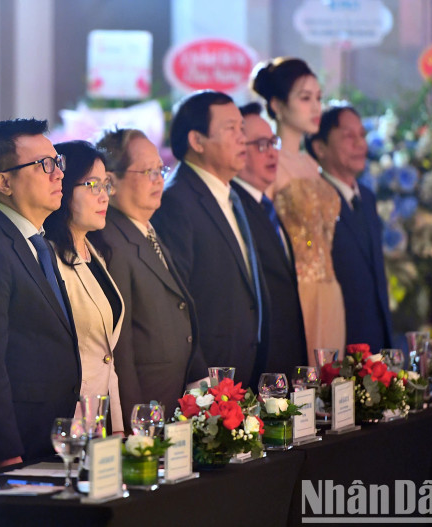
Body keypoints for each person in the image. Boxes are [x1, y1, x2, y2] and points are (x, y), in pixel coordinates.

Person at [0, 118, 80, 467]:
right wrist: (5, 449)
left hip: (55, 434)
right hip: (21, 443)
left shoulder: (37, 242)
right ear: (4, 182)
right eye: (44, 165)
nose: (58, 174)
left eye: (58, 163)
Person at [152, 91, 270, 389]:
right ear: (197, 141)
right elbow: (175, 304)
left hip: (246, 372)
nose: (242, 138)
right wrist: (202, 380)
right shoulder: (176, 201)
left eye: (242, 129)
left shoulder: (230, 194)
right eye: (231, 129)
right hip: (209, 383)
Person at [96, 128, 203, 421]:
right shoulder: (111, 241)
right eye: (147, 171)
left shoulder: (147, 229)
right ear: (111, 181)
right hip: (145, 408)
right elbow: (120, 348)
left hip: (172, 397)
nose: (159, 179)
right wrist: (134, 423)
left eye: (160, 169)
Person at [251, 57, 346, 364]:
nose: (316, 107)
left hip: (330, 290)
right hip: (296, 291)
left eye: (318, 98)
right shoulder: (269, 163)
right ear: (277, 104)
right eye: (305, 98)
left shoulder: (310, 164)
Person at [44, 140, 124, 433]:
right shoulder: (47, 257)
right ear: (63, 190)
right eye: (92, 185)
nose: (103, 197)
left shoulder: (95, 251)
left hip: (102, 418)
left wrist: (117, 427)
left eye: (106, 185)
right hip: (69, 422)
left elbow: (106, 357)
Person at [307, 105, 393, 351]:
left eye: (362, 135)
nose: (360, 144)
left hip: (376, 341)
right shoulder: (314, 200)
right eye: (348, 136)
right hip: (338, 343)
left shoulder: (367, 197)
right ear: (319, 147)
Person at [230, 102, 306, 376]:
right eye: (261, 145)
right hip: (262, 364)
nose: (272, 152)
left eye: (273, 142)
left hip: (287, 353)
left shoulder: (266, 204)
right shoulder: (234, 206)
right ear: (238, 149)